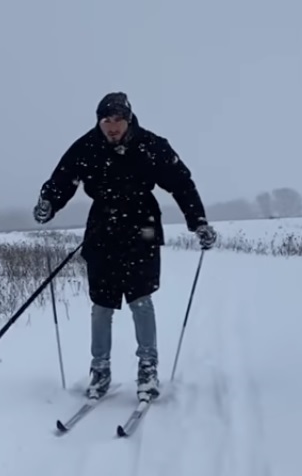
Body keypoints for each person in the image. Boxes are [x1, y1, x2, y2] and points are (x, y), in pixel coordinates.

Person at [33, 91, 216, 401]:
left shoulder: (151, 145)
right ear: (99, 122)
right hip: (102, 229)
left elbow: (181, 182)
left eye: (119, 120)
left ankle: (148, 368)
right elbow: (63, 178)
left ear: (129, 120)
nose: (113, 127)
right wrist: (48, 202)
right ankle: (100, 369)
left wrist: (198, 221)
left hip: (141, 227)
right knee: (101, 306)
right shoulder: (86, 147)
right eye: (107, 120)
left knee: (140, 300)